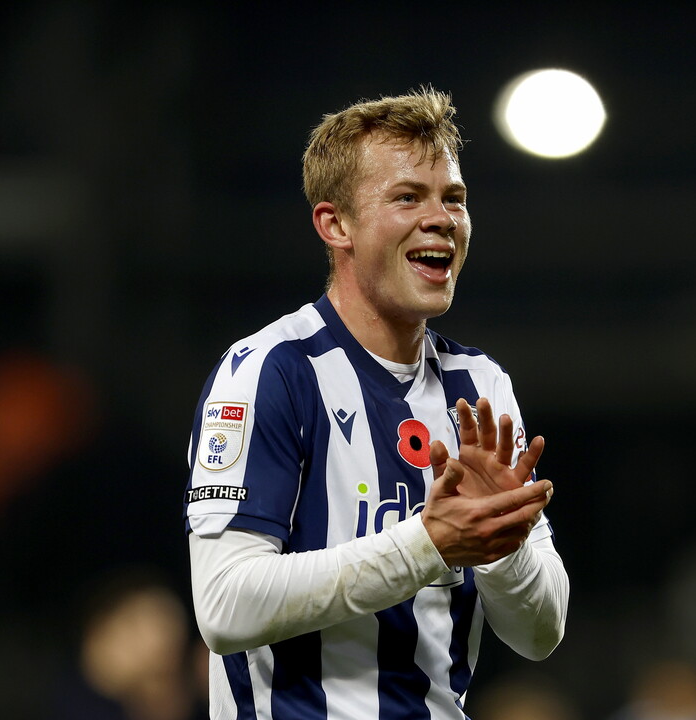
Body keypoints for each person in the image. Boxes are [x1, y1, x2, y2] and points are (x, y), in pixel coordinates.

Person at [184, 87, 569, 719]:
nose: (442, 218)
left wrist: (505, 545)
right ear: (336, 225)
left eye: (454, 198)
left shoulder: (480, 386)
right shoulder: (270, 372)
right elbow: (226, 608)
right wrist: (429, 544)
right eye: (408, 197)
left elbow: (539, 635)